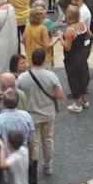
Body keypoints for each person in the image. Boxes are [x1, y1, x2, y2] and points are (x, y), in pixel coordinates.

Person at [16, 47, 64, 176]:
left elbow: (17, 94)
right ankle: (48, 166)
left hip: (31, 115)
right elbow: (60, 95)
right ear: (44, 60)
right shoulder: (51, 76)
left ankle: (34, 168)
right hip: (48, 113)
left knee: (34, 142)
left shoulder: (22, 78)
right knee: (48, 140)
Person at [62, 4, 93, 113]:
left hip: (72, 57)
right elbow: (90, 35)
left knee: (74, 78)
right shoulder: (82, 25)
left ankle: (77, 104)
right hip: (82, 54)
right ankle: (84, 100)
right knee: (83, 76)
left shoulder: (70, 30)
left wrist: (61, 38)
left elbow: (67, 47)